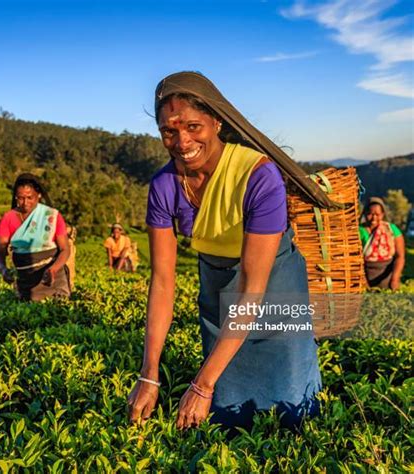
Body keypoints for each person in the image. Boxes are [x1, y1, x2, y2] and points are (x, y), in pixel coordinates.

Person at [128, 71, 331, 432]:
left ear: (217, 121)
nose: (182, 141)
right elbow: (161, 283)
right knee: (227, 413)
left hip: (273, 282)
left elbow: (253, 288)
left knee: (290, 406)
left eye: (193, 126)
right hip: (218, 283)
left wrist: (201, 385)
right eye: (169, 132)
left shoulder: (257, 175)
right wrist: (149, 375)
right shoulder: (163, 186)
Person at [0, 173, 71, 301]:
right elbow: (0, 253)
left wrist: (53, 270)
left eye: (30, 197)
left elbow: (65, 249)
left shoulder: (51, 216)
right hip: (25, 282)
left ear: (39, 195)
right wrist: (3, 270)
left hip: (53, 278)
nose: (25, 203)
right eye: (20, 198)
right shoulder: (8, 218)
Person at [360, 197, 405, 290]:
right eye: (370, 214)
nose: (373, 218)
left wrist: (395, 279)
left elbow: (400, 256)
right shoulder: (358, 231)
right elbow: (354, 260)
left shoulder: (391, 229)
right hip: (364, 275)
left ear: (383, 214)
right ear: (364, 213)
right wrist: (363, 281)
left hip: (388, 277)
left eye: (377, 214)